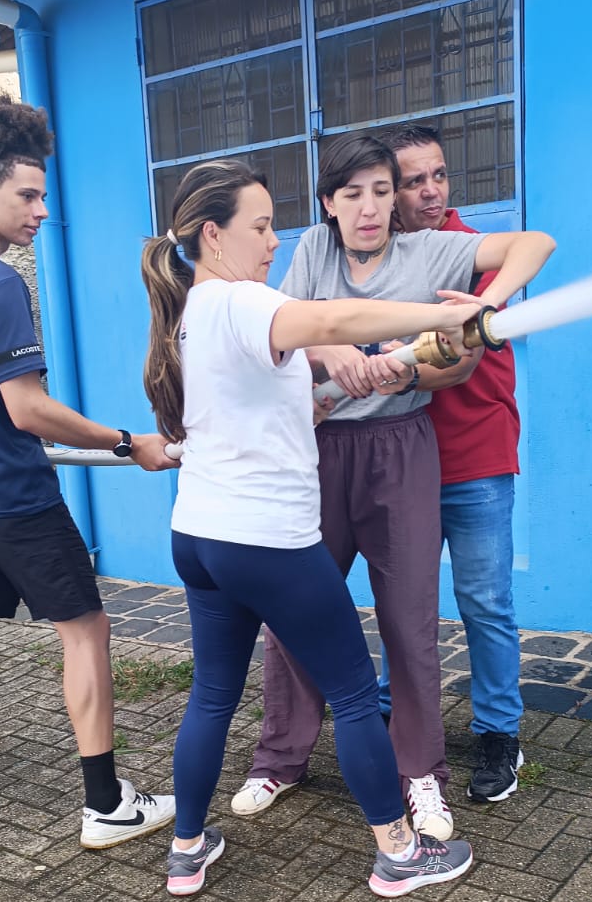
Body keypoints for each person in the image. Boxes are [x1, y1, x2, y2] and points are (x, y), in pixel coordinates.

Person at [141, 157, 484, 899]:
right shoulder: (242, 301)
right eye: (262, 227)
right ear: (213, 234)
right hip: (265, 540)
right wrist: (437, 316)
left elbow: (257, 404)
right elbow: (329, 319)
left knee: (211, 695)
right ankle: (399, 855)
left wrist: (318, 400)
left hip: (199, 535)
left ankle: (186, 851)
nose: (275, 242)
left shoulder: (191, 310)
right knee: (356, 695)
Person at [231, 133, 555, 837]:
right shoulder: (312, 254)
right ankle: (279, 758)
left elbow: (536, 244)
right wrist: (332, 349)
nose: (370, 208)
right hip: (320, 450)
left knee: (409, 620)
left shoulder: (431, 251)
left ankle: (421, 775)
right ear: (328, 203)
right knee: (294, 606)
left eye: (382, 191)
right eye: (353, 194)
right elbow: (281, 326)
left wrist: (485, 305)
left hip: (404, 446)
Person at [0, 93, 177, 850]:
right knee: (87, 629)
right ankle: (106, 806)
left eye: (43, 196)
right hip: (12, 497)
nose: (41, 211)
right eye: (27, 196)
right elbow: (27, 409)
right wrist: (127, 441)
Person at [376, 124, 525, 803]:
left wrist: (483, 305)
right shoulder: (375, 263)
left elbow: (458, 357)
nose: (432, 191)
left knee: (484, 601)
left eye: (438, 174)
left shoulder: (471, 252)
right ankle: (397, 713)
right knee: (404, 602)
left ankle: (498, 732)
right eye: (414, 181)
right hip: (405, 459)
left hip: (476, 456)